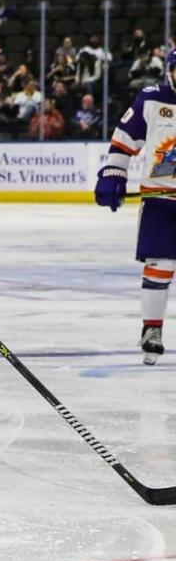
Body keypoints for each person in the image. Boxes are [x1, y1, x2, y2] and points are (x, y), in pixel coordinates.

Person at [95, 50, 176, 366]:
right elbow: (124, 140)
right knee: (160, 264)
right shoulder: (150, 99)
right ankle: (151, 330)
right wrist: (113, 173)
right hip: (160, 200)